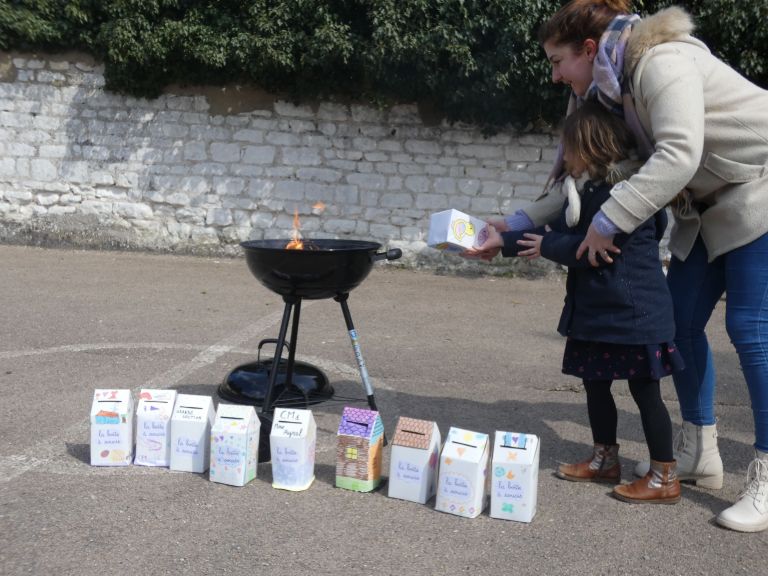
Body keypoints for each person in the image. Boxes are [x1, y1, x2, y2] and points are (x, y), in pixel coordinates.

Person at [479, 0, 768, 531]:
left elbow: (679, 153)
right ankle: (699, 451)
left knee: (749, 329)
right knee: (679, 326)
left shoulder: (660, 61)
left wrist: (607, 221)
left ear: (589, 50)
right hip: (704, 208)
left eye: (557, 59)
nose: (554, 74)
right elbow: (573, 182)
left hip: (759, 186)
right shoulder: (597, 93)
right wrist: (510, 225)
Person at [470, 101, 684, 504]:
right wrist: (504, 241)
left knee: (645, 390)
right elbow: (561, 228)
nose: (563, 157)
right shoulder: (589, 189)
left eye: (568, 148)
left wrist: (546, 243)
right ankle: (605, 458)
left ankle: (664, 474)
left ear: (590, 147)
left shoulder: (628, 193)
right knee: (595, 384)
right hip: (598, 308)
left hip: (634, 312)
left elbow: (596, 247)